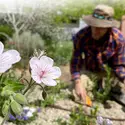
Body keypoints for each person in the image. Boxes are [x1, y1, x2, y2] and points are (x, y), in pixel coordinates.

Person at [70, 4, 125, 105]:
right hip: (90, 71)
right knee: (77, 94)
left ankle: (112, 92)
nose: (96, 30)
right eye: (94, 25)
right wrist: (78, 83)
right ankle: (91, 97)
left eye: (101, 27)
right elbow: (75, 63)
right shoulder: (81, 36)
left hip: (110, 73)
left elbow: (119, 66)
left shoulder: (118, 39)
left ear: (108, 27)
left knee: (119, 92)